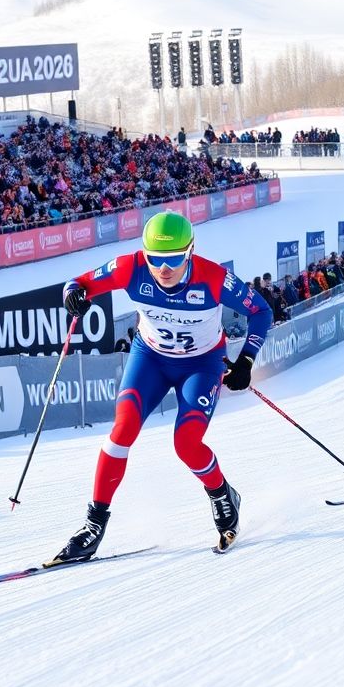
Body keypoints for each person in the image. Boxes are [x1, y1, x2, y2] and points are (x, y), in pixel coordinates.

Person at [53, 211, 272, 561]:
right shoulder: (130, 268)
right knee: (122, 431)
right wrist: (73, 294)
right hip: (150, 359)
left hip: (201, 364)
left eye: (173, 260)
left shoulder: (214, 278)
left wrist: (246, 359)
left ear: (190, 251)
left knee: (186, 443)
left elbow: (261, 311)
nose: (163, 269)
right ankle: (93, 525)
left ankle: (222, 494)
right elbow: (77, 283)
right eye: (155, 259)